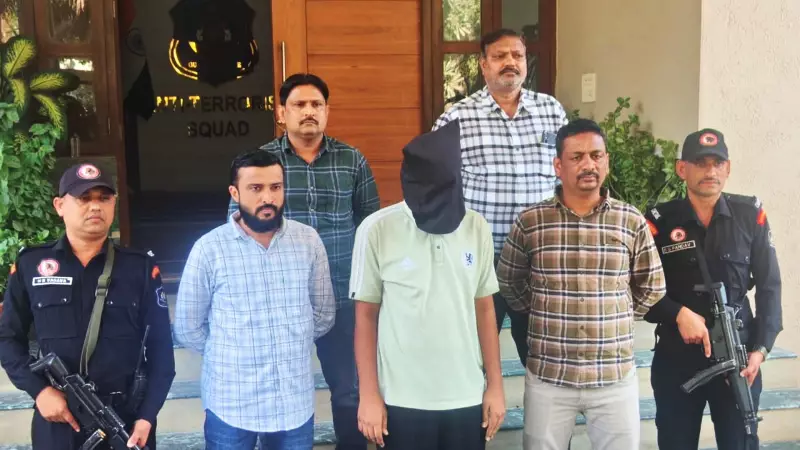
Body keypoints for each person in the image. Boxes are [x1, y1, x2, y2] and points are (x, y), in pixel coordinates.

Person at [228, 73, 379, 450]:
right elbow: (236, 228)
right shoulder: (261, 164)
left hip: (343, 294)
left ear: (327, 111)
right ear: (282, 113)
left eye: (316, 104)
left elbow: (371, 226)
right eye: (299, 104)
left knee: (349, 389)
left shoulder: (351, 160)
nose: (308, 111)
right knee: (278, 389)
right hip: (280, 301)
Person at [497, 119, 667, 450]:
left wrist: (615, 313)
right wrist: (544, 311)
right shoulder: (532, 222)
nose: (588, 164)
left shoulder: (630, 220)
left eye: (596, 155)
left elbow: (652, 285)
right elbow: (509, 281)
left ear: (607, 161)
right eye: (577, 157)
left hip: (612, 376)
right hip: (550, 376)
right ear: (558, 166)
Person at [351, 120, 506, 450]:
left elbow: (485, 309)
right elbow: (365, 316)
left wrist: (495, 386)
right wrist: (369, 394)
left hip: (466, 396)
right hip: (401, 399)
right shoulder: (376, 230)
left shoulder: (476, 226)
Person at [0, 163, 176, 450]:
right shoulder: (31, 265)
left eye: (104, 198)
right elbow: (7, 338)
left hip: (125, 422)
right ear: (59, 206)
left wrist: (147, 416)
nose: (95, 206)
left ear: (114, 204)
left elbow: (161, 352)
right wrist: (39, 391)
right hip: (58, 420)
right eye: (84, 198)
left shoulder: (140, 268)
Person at [177, 150, 336, 449]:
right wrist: (232, 352)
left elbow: (323, 314)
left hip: (293, 403)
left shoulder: (308, 241)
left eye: (276, 187)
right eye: (255, 188)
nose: (268, 197)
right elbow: (188, 327)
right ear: (234, 193)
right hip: (232, 404)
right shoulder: (209, 249)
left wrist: (290, 340)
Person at [432, 28, 568, 367]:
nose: (510, 62)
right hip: (480, 259)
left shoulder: (551, 111)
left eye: (517, 55)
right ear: (483, 64)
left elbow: (566, 174)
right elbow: (435, 186)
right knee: (473, 355)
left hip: (539, 257)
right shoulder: (456, 118)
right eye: (499, 56)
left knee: (542, 354)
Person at [643, 128, 782, 450]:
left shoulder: (750, 216)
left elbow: (770, 286)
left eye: (717, 163)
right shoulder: (660, 222)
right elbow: (640, 288)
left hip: (738, 355)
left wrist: (760, 349)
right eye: (700, 163)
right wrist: (676, 313)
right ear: (682, 169)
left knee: (739, 443)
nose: (710, 171)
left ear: (728, 168)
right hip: (677, 358)